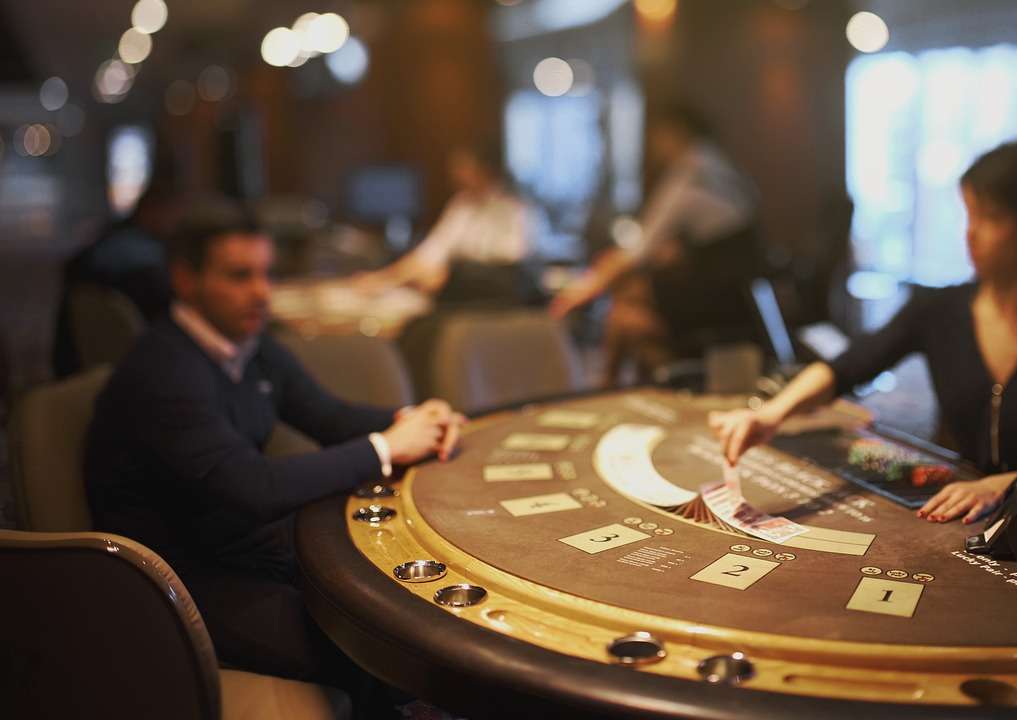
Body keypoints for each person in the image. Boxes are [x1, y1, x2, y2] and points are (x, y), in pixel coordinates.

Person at [84, 199, 465, 716]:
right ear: (185, 279)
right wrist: (386, 447)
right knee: (377, 646)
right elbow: (251, 487)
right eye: (239, 276)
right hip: (177, 581)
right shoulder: (163, 371)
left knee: (405, 611)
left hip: (245, 550)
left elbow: (329, 416)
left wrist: (414, 418)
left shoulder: (250, 346)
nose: (261, 292)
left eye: (265, 273)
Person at [709, 142, 1017, 525]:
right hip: (956, 511)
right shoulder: (939, 308)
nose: (971, 232)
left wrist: (1005, 483)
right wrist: (770, 414)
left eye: (992, 217)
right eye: (969, 214)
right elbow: (850, 366)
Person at [548, 104, 758, 384]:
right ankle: (632, 385)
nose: (654, 144)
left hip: (724, 297)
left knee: (624, 313)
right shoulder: (716, 165)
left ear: (675, 132)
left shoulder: (691, 173)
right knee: (629, 306)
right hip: (746, 289)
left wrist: (582, 291)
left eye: (658, 135)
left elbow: (639, 250)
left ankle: (611, 388)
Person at [354, 145, 543, 305]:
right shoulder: (462, 203)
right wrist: (383, 279)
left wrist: (448, 275)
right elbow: (429, 253)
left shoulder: (514, 206)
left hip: (497, 301)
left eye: (463, 167)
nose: (455, 174)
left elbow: (510, 259)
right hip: (459, 296)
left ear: (485, 170)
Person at [53, 180, 183, 376]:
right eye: (171, 214)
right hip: (129, 351)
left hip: (82, 351)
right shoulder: (137, 251)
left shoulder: (115, 236)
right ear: (151, 211)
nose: (174, 222)